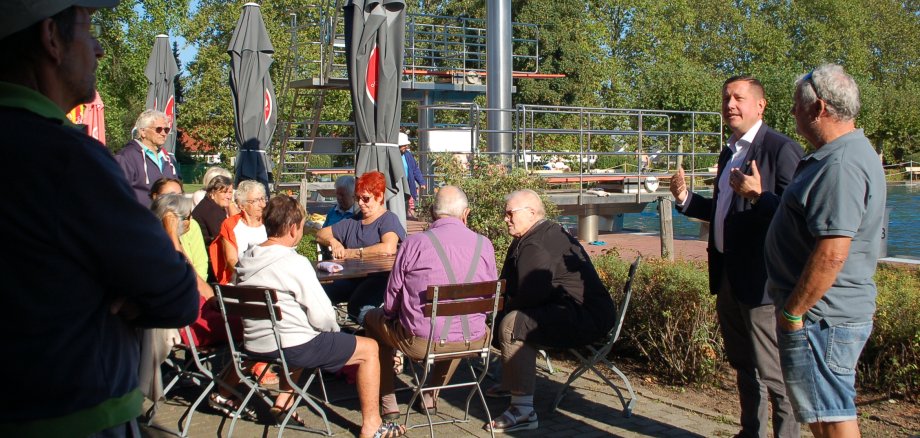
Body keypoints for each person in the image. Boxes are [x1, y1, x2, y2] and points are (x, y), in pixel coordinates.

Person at [0, 2, 201, 436]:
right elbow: (178, 295)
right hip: (74, 415)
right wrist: (125, 288)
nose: (99, 50)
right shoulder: (67, 159)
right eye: (88, 29)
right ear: (51, 38)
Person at [669, 75, 803, 438]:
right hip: (728, 275)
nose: (730, 104)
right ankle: (751, 433)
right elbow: (725, 211)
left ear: (760, 105)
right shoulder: (730, 150)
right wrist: (684, 198)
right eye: (726, 98)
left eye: (739, 98)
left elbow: (798, 217)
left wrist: (760, 195)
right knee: (744, 365)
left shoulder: (780, 149)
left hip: (763, 283)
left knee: (774, 371)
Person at [765, 64, 885, 438]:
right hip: (818, 317)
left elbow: (833, 252)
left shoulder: (842, 164)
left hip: (822, 318)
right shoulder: (836, 155)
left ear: (818, 108)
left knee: (832, 418)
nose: (792, 114)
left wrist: (792, 312)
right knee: (821, 415)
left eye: (797, 106)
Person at [231, 195, 405, 438]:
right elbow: (324, 317)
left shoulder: (245, 259)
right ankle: (372, 425)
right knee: (369, 349)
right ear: (292, 229)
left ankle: (283, 402)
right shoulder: (294, 263)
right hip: (292, 345)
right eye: (301, 226)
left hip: (255, 342)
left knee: (302, 331)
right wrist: (337, 334)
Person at [486, 189, 617, 433]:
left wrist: (500, 311)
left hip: (586, 317)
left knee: (514, 323)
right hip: (576, 310)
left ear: (532, 213)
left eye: (510, 213)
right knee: (509, 316)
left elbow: (531, 294)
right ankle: (511, 381)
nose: (505, 218)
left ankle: (523, 410)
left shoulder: (536, 242)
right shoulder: (533, 234)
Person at [364, 186, 497, 419]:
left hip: (421, 342)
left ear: (433, 213)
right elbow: (489, 299)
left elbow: (392, 299)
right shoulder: (483, 244)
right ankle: (430, 395)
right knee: (458, 323)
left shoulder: (414, 244)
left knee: (371, 320)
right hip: (474, 340)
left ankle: (388, 400)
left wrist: (390, 315)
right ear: (465, 214)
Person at [316, 171, 407, 324]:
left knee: (357, 307)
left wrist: (355, 253)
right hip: (351, 277)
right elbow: (320, 234)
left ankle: (381, 335)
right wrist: (334, 241)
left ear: (379, 197)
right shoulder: (353, 221)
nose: (361, 203)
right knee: (318, 295)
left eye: (366, 198)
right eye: (358, 198)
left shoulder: (388, 219)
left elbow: (388, 248)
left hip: (380, 279)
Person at [115, 109, 180, 207]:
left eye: (166, 130)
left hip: (167, 218)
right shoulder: (126, 157)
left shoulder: (169, 159)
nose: (163, 133)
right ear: (143, 131)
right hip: (140, 219)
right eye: (158, 129)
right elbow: (116, 194)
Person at [210, 180, 267, 285]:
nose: (262, 205)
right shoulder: (230, 225)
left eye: (263, 199)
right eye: (256, 201)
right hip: (239, 282)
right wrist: (249, 277)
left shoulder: (270, 222)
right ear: (241, 205)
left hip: (268, 280)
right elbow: (231, 260)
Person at [150, 178, 208, 279]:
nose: (177, 200)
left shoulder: (191, 225)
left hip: (194, 286)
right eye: (171, 195)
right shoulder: (147, 227)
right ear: (155, 197)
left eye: (180, 195)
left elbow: (201, 263)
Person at [399, 132, 426, 218]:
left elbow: (415, 169)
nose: (406, 147)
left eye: (406, 145)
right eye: (404, 145)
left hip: (407, 184)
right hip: (398, 185)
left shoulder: (408, 155)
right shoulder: (393, 155)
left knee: (405, 204)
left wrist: (421, 182)